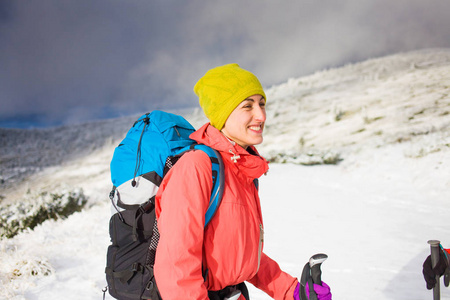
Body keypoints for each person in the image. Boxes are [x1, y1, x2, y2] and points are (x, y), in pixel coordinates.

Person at [153, 63, 332, 300]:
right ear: (223, 115)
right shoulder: (197, 166)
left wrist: (292, 291)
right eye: (248, 106)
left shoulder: (241, 172)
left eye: (261, 104)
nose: (261, 115)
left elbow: (242, 257)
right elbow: (176, 267)